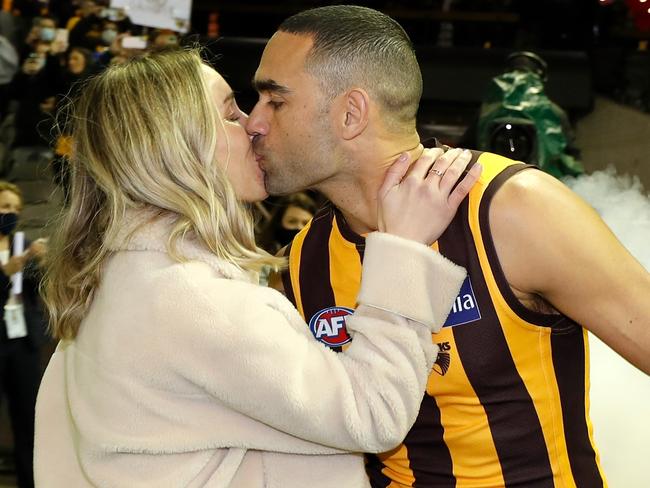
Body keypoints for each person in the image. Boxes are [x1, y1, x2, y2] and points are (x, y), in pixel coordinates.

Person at [33, 48, 481, 487]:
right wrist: (404, 247)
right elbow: (374, 413)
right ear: (175, 149)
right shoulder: (193, 299)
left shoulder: (113, 281)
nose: (255, 126)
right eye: (231, 115)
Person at [245, 5, 650, 488]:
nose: (254, 122)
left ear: (351, 113)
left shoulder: (512, 209)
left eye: (275, 100)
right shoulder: (304, 257)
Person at [0, 181, 48, 488]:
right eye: (5, 207)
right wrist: (4, 273)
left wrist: (41, 265)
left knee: (28, 420)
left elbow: (41, 293)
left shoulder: (23, 243)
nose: (12, 214)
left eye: (16, 209)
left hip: (22, 342)